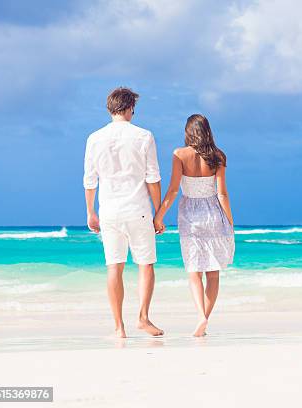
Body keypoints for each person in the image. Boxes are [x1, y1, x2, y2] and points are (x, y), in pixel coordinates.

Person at [83, 87, 164, 338]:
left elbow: (90, 180)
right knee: (145, 264)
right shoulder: (144, 136)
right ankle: (143, 318)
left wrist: (90, 212)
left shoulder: (94, 138)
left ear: (110, 109)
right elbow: (153, 177)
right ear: (130, 108)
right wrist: (158, 212)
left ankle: (119, 327)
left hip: (108, 211)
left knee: (113, 267)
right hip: (137, 209)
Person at [153, 114, 234, 337]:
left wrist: (158, 216)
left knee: (194, 271)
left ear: (188, 131)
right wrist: (230, 222)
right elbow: (222, 194)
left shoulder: (180, 154)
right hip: (214, 214)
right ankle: (205, 319)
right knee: (213, 273)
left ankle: (200, 315)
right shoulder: (218, 156)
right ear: (208, 130)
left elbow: (172, 190)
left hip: (190, 215)